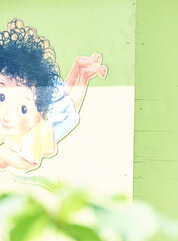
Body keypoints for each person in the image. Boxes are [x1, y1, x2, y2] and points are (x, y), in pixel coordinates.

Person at [0, 18, 107, 171]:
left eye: (23, 109)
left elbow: (28, 162)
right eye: (1, 97)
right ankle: (79, 66)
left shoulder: (32, 135)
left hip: (55, 126)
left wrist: (8, 160)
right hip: (48, 112)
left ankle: (84, 75)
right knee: (62, 94)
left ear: (37, 115)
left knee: (70, 105)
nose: (6, 116)